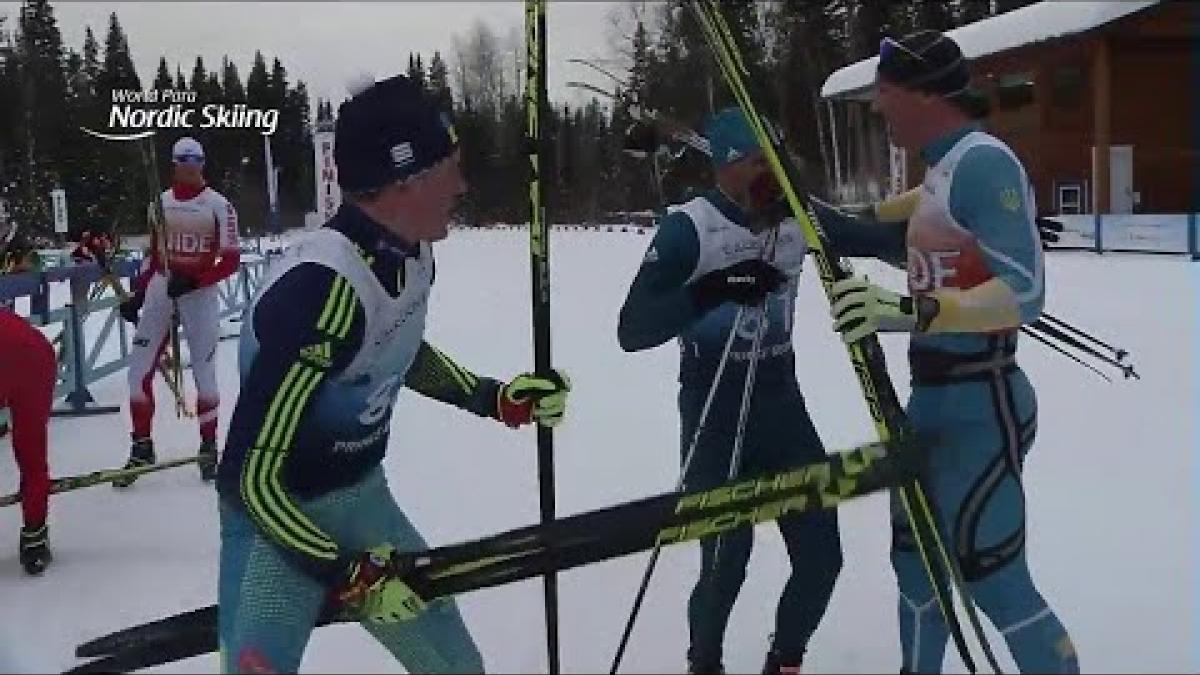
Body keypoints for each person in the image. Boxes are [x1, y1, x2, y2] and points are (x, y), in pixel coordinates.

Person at [214, 74, 572, 674]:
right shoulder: (319, 295)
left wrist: (495, 399)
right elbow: (246, 480)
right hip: (278, 528)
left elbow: (392, 349)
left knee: (457, 670)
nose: (462, 186)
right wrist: (344, 573)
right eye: (449, 169)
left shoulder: (412, 252)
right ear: (402, 180)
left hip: (360, 498)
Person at [822, 30, 1078, 674]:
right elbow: (866, 228)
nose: (879, 107)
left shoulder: (983, 163)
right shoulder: (939, 171)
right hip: (932, 400)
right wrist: (781, 201)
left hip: (982, 401)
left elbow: (1026, 290)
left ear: (923, 95)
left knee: (992, 575)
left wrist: (912, 311)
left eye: (885, 92)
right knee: (916, 569)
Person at [618, 107, 841, 675]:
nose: (775, 170)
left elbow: (875, 234)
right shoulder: (689, 227)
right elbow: (633, 329)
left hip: (782, 405)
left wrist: (952, 226)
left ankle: (785, 660)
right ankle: (704, 664)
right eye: (761, 160)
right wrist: (716, 287)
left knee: (821, 557)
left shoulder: (795, 216)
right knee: (726, 561)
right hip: (713, 408)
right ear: (729, 164)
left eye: (778, 156)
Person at [114, 136, 241, 485]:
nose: (190, 166)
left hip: (198, 294)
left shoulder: (219, 205)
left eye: (196, 160)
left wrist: (196, 281)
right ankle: (142, 446)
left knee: (204, 373)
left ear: (203, 163)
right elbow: (154, 257)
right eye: (183, 159)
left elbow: (230, 261)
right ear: (174, 163)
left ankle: (208, 447)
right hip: (162, 287)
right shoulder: (160, 204)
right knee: (137, 371)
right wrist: (137, 294)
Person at [0, 217, 55, 575]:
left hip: (22, 354)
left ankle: (35, 533)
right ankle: (34, 535)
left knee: (29, 451)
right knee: (31, 453)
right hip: (31, 353)